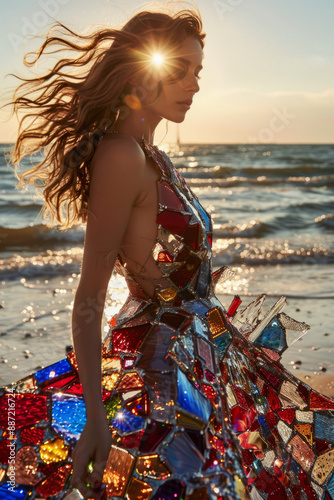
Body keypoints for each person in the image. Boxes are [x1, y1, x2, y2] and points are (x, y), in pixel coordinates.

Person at [2, 4, 334, 500]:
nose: (194, 84)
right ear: (141, 70)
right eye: (179, 70)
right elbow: (90, 296)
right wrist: (95, 418)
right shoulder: (121, 155)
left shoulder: (152, 155)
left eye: (198, 71)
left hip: (201, 353)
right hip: (163, 361)